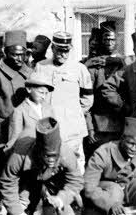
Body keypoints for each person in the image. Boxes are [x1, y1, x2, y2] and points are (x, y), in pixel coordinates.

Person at [0, 117, 88, 215]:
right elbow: (7, 184)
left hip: (53, 177)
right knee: (18, 209)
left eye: (55, 155)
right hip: (27, 178)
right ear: (39, 152)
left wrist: (60, 198)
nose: (52, 159)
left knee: (64, 206)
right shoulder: (20, 153)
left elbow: (76, 181)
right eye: (48, 155)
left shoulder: (66, 153)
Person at [33, 31, 93, 166]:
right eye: (59, 50)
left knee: (74, 165)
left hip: (72, 128)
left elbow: (88, 99)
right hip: (48, 126)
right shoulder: (41, 67)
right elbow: (35, 95)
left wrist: (72, 112)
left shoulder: (79, 69)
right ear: (52, 48)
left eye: (66, 51)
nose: (63, 54)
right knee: (50, 163)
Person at [0, 29, 33, 149]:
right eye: (15, 54)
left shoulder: (31, 74)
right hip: (6, 135)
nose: (19, 59)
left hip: (28, 132)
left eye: (22, 54)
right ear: (5, 52)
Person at [85, 25, 126, 151]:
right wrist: (90, 127)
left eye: (112, 40)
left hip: (121, 123)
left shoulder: (124, 64)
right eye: (106, 39)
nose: (109, 43)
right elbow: (86, 100)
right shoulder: (93, 67)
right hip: (100, 126)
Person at [3, 73, 55, 152]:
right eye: (41, 92)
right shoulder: (19, 111)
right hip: (27, 152)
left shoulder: (48, 108)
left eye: (46, 93)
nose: (44, 97)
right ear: (29, 89)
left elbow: (54, 132)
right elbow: (14, 139)